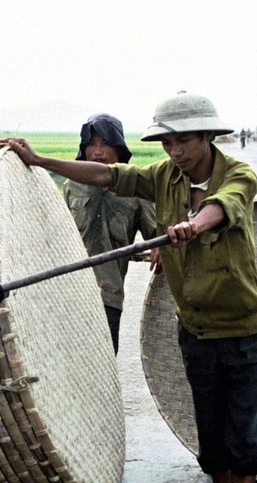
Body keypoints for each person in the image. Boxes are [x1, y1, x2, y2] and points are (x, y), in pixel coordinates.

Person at [6, 91, 257, 483]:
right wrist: (39, 160)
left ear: (209, 136)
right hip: (195, 331)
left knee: (243, 442)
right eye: (168, 141)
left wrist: (193, 225)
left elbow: (223, 206)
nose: (176, 151)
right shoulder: (162, 177)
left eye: (184, 141)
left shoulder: (239, 175)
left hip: (246, 331)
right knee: (212, 441)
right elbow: (110, 177)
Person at [64, 113, 158, 353]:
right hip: (68, 295)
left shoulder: (137, 191)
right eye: (92, 144)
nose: (97, 151)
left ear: (119, 149)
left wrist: (160, 246)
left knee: (102, 366)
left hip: (108, 296)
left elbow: (157, 236)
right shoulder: (70, 187)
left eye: (105, 144)